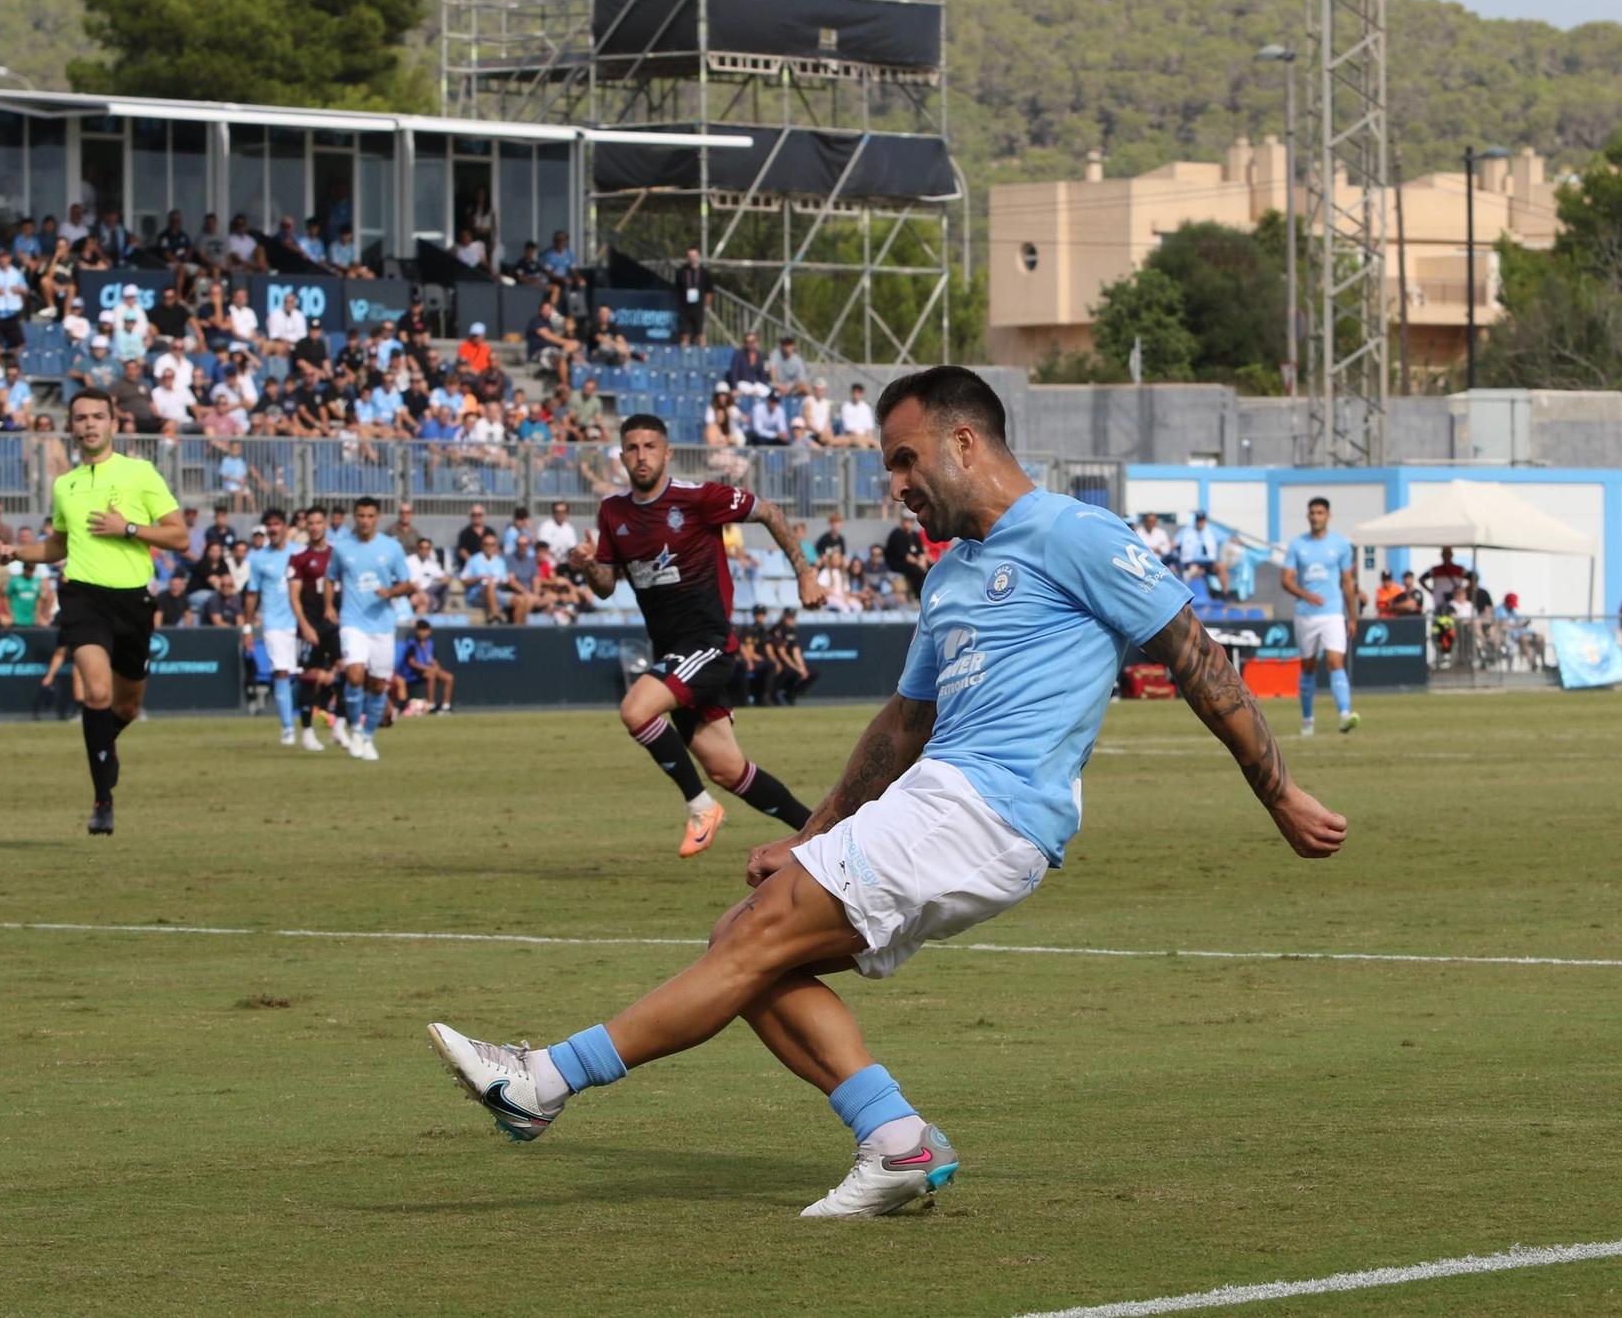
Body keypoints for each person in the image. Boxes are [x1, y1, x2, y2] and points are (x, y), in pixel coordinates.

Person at [425, 365, 1347, 1216]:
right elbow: (901, 727)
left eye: (906, 461)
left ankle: (541, 1081)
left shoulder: (1075, 532)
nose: (896, 486)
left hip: (987, 810)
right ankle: (896, 1140)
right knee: (742, 945)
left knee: (751, 944)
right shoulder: (949, 573)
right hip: (943, 798)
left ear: (965, 443)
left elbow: (1197, 657)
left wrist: (1281, 795)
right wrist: (808, 833)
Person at [564, 414, 822, 859]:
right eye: (631, 448)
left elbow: (769, 512)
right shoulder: (613, 512)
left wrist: (805, 572)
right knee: (727, 769)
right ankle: (820, 833)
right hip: (672, 652)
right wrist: (588, 566)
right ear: (621, 455)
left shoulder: (699, 498)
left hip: (708, 642)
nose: (640, 456)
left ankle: (701, 808)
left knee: (636, 710)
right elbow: (606, 586)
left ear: (667, 453)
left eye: (649, 447)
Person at [0, 389, 190, 833]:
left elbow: (179, 538)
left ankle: (105, 746)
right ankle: (103, 801)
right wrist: (16, 553)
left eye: (97, 416)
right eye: (80, 418)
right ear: (71, 426)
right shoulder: (66, 484)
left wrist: (130, 529)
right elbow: (58, 545)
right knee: (97, 693)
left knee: (127, 705)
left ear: (113, 423)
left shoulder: (140, 473)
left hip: (133, 601)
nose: (89, 424)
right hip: (83, 598)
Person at [327, 496, 415, 760]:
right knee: (354, 675)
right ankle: (354, 727)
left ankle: (367, 736)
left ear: (377, 517)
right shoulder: (342, 548)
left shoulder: (391, 547)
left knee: (378, 686)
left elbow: (408, 584)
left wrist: (390, 591)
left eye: (369, 516)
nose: (364, 521)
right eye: (360, 516)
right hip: (353, 622)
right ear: (355, 517)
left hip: (382, 624)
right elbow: (330, 578)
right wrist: (329, 606)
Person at [1279, 497, 1360, 736]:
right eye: (1312, 513)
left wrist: (1352, 617)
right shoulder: (1297, 545)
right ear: (1308, 516)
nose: (1316, 517)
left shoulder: (1341, 545)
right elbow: (1286, 580)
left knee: (1335, 661)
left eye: (1320, 512)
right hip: (1306, 614)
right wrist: (1305, 594)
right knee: (1308, 666)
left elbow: (1347, 582)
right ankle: (1307, 720)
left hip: (1333, 613)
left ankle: (1345, 715)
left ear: (1328, 516)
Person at [242, 507, 306, 746]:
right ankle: (288, 727)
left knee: (309, 675)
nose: (273, 528)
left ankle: (316, 722)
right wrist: (247, 628)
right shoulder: (258, 559)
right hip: (275, 624)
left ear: (286, 527)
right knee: (280, 671)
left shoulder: (299, 553)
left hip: (301, 623)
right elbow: (251, 594)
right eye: (269, 524)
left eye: (277, 523)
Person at [285, 505, 342, 751]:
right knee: (309, 677)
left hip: (335, 624)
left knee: (348, 670)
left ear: (326, 524)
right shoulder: (299, 558)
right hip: (312, 625)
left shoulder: (338, 554)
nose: (315, 527)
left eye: (319, 522)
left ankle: (339, 725)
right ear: (306, 527)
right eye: (311, 523)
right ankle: (307, 732)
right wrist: (304, 626)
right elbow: (294, 596)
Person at [394, 619, 453, 714]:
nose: (423, 633)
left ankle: (446, 706)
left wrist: (437, 668)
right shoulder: (411, 644)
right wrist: (428, 668)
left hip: (427, 671)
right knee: (431, 675)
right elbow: (412, 663)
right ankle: (431, 705)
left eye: (425, 630)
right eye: (420, 630)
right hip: (411, 673)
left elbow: (433, 660)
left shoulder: (430, 644)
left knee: (448, 677)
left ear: (429, 631)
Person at [675, 246, 709, 347]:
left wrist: (705, 304)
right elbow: (678, 288)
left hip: (698, 307)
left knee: (700, 333)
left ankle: (702, 356)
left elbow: (709, 290)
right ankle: (684, 356)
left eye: (694, 256)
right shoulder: (681, 271)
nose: (692, 258)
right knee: (685, 334)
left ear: (698, 256)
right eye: (690, 256)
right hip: (685, 306)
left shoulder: (704, 272)